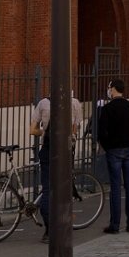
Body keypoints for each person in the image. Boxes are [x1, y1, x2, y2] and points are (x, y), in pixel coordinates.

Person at [29, 92, 83, 241]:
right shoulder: (75, 103)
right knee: (63, 187)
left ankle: (48, 229)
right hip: (64, 151)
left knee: (47, 190)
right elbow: (74, 130)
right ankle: (64, 220)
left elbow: (32, 130)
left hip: (47, 150)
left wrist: (44, 132)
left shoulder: (43, 103)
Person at [98, 79, 129, 234]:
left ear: (113, 90)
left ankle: (115, 224)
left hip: (114, 149)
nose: (108, 90)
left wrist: (108, 146)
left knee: (115, 187)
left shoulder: (107, 109)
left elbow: (101, 133)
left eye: (109, 88)